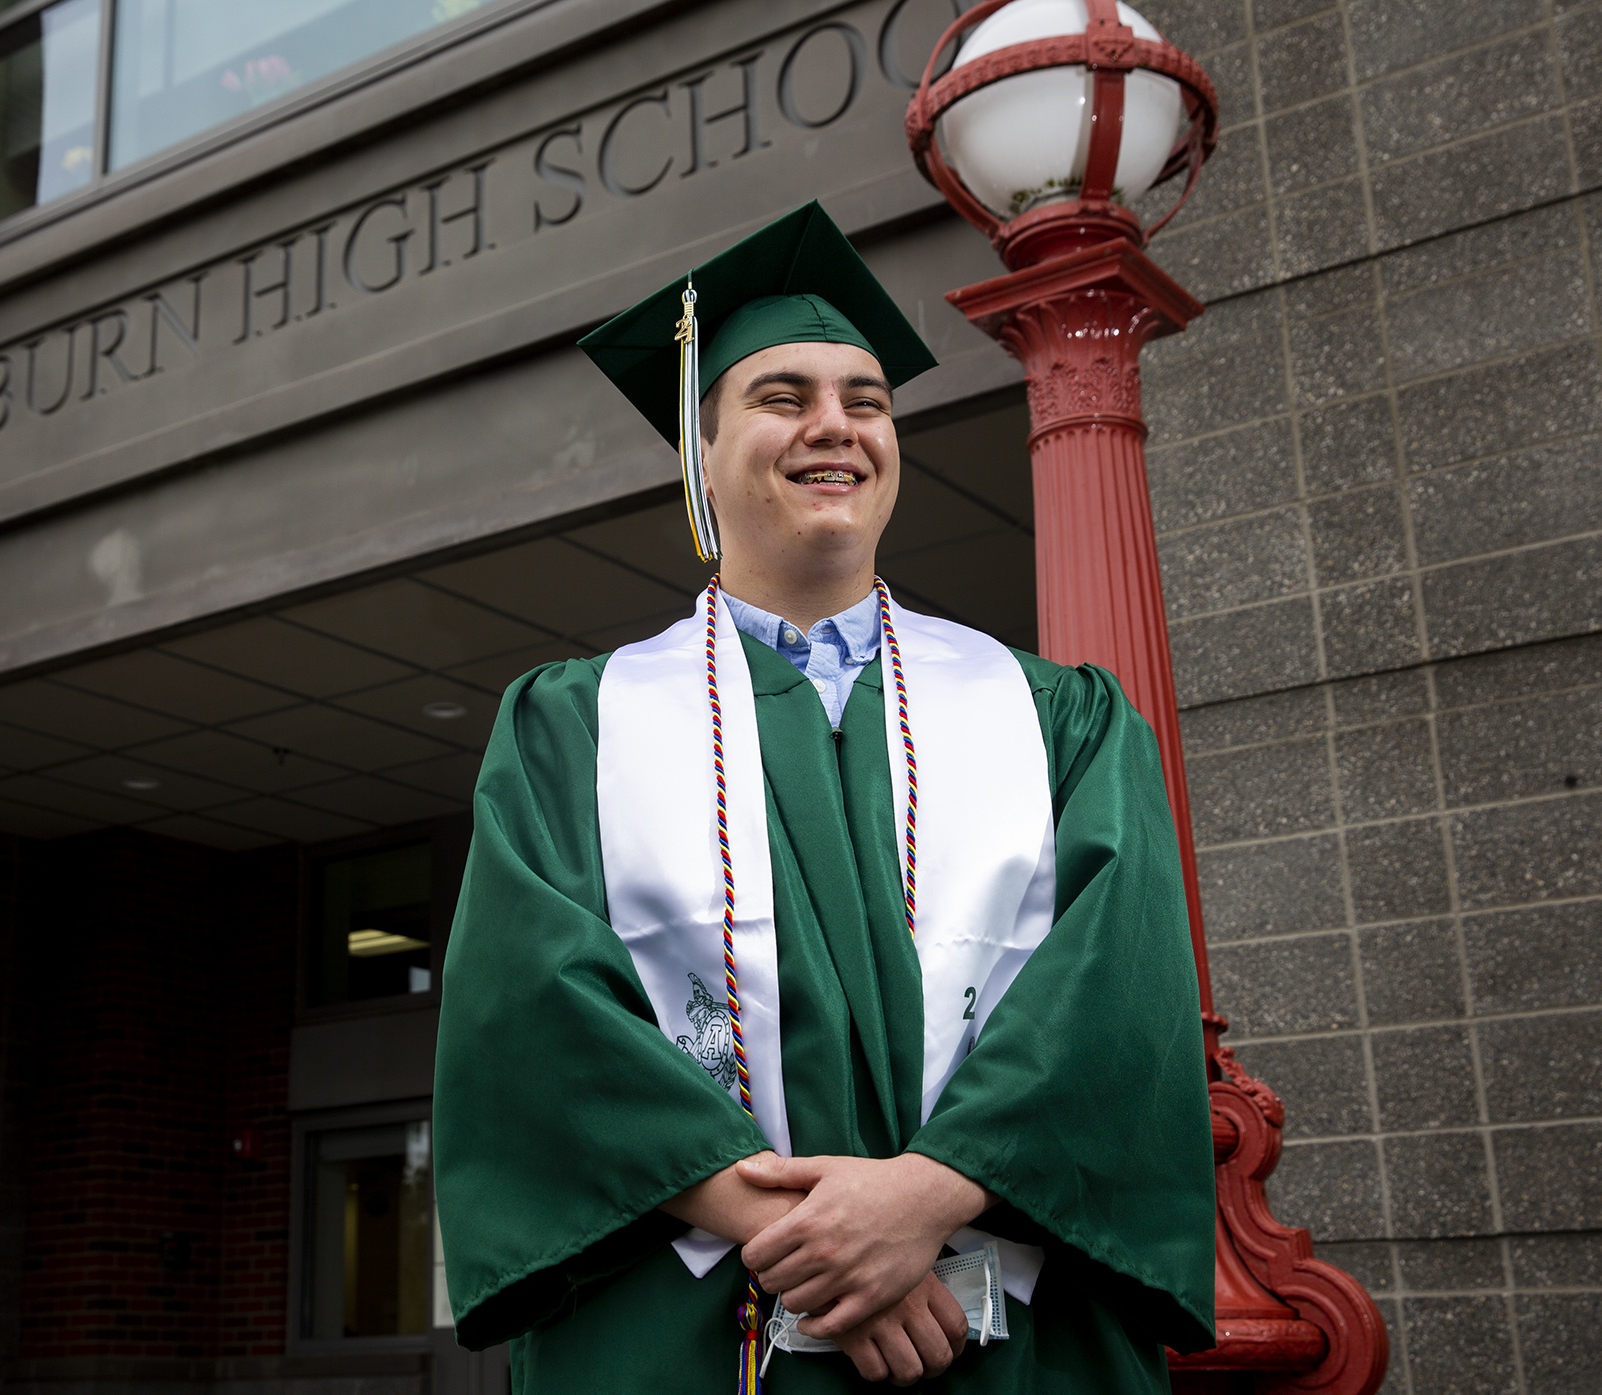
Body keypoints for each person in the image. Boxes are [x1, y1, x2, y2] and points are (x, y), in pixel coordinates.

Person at [432, 202, 1214, 1392]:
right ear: (700, 448)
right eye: (781, 396)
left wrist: (922, 1198)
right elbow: (529, 1009)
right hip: (691, 1326)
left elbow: (1118, 989)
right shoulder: (575, 724)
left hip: (999, 1309)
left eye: (866, 400)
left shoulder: (1054, 714)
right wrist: (803, 1235)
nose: (833, 427)